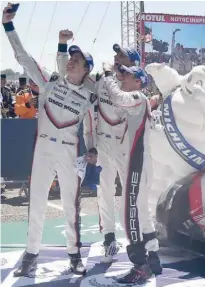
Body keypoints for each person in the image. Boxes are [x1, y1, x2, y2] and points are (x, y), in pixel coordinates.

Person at [3, 4, 97, 277]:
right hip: (43, 149)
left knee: (71, 205)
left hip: (69, 153)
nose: (71, 61)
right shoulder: (49, 81)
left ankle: (74, 255)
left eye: (77, 60)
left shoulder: (90, 95)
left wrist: (92, 149)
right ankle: (31, 256)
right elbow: (23, 57)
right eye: (71, 57)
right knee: (37, 204)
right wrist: (8, 26)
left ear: (86, 69)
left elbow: (91, 127)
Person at [59, 39, 143, 265]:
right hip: (103, 145)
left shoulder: (135, 85)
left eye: (122, 56)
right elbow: (89, 112)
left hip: (126, 147)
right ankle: (109, 238)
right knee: (103, 192)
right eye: (116, 55)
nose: (116, 58)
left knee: (131, 195)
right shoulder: (101, 81)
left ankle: (136, 238)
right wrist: (90, 145)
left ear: (133, 63)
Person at [101, 64, 162, 283]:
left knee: (130, 214)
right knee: (141, 210)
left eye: (127, 75)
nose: (122, 77)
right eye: (121, 74)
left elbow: (117, 97)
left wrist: (108, 76)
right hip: (138, 162)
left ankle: (140, 265)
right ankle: (153, 257)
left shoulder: (137, 96)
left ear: (138, 81)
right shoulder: (140, 100)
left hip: (136, 163)